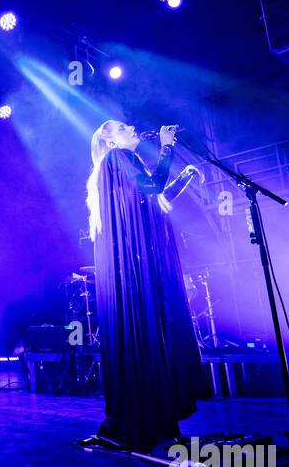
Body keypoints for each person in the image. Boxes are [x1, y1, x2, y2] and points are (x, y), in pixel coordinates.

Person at [84, 120, 207, 449]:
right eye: (123, 128)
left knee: (151, 332)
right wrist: (167, 148)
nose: (132, 127)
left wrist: (183, 176)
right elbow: (152, 189)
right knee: (149, 329)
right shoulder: (117, 160)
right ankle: (142, 421)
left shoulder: (123, 165)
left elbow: (153, 198)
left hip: (138, 261)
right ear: (112, 143)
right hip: (135, 263)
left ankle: (152, 419)